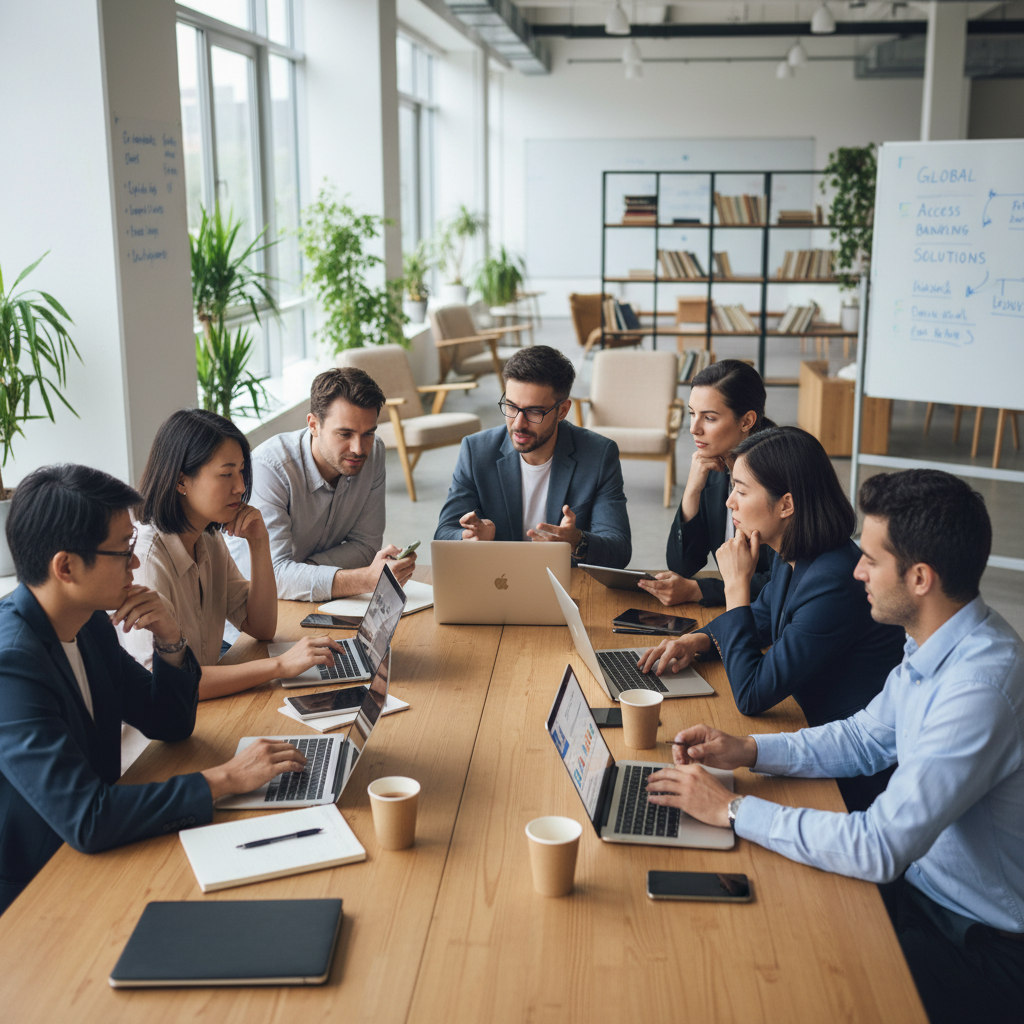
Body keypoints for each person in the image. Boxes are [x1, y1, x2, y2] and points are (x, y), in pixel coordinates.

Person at [643, 470, 1024, 1024]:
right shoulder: (936, 644)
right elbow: (863, 737)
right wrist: (748, 750)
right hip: (916, 889)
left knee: (780, 985)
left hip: (973, 940)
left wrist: (730, 808)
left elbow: (877, 847)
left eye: (871, 559)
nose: (857, 570)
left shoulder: (978, 690)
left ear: (920, 578)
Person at [0, 465, 311, 916]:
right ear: (66, 567)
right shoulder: (12, 664)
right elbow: (87, 816)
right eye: (123, 550)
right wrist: (225, 778)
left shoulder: (87, 622)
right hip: (37, 887)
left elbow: (169, 722)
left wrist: (170, 639)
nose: (135, 562)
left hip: (102, 851)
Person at [638, 426, 905, 810]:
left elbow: (751, 694)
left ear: (786, 505)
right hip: (805, 729)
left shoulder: (833, 581)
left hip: (848, 775)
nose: (730, 501)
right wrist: (695, 641)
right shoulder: (796, 551)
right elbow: (764, 615)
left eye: (742, 491)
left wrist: (735, 588)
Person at [123, 409, 344, 698]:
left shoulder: (208, 538)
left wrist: (259, 542)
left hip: (209, 705)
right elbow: (165, 685)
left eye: (241, 471)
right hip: (163, 731)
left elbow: (261, 627)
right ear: (181, 482)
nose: (240, 487)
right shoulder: (147, 560)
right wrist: (278, 665)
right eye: (226, 474)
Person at [227, 367, 416, 603]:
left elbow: (367, 547)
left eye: (367, 433)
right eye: (345, 434)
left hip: (325, 603)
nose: (358, 449)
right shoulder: (270, 469)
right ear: (313, 425)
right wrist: (365, 579)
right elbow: (272, 577)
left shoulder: (373, 451)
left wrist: (302, 571)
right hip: (254, 619)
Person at [434, 345, 631, 569]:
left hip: (564, 586)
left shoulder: (598, 455)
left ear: (563, 411)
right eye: (511, 406)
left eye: (534, 411)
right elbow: (443, 533)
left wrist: (576, 541)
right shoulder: (476, 451)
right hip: (498, 582)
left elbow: (619, 549)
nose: (518, 424)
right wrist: (469, 538)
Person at [641, 359, 774, 607]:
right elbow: (683, 565)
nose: (694, 429)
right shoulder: (713, 466)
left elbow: (784, 582)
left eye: (709, 418)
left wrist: (698, 590)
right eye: (692, 414)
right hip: (734, 609)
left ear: (746, 421)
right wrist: (692, 491)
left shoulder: (779, 474)